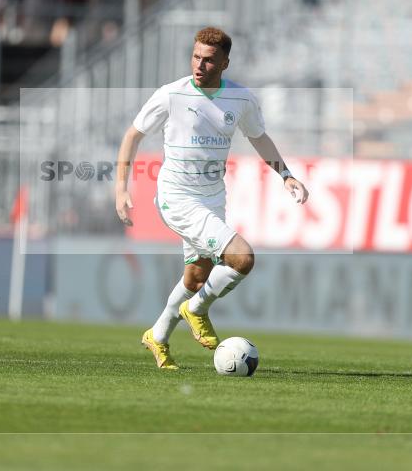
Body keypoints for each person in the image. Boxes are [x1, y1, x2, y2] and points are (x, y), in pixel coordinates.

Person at [115, 27, 309, 370]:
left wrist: (286, 174)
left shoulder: (241, 99)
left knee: (197, 277)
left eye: (208, 60)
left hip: (212, 197)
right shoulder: (171, 95)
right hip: (176, 196)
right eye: (196, 57)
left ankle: (157, 337)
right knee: (242, 258)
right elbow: (133, 134)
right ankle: (197, 309)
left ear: (225, 63)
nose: (199, 65)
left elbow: (259, 138)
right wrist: (121, 187)